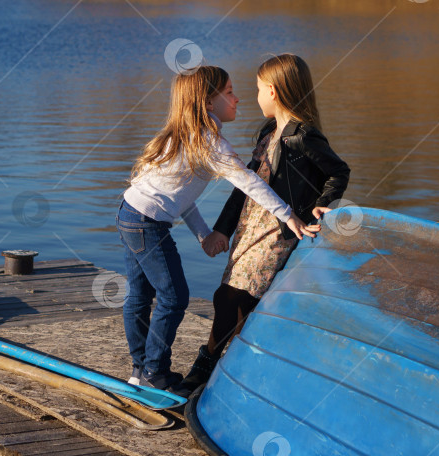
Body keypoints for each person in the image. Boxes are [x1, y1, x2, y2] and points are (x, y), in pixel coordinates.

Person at [116, 65, 317, 390]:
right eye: (229, 92)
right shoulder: (210, 143)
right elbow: (249, 182)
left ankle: (139, 371)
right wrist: (288, 214)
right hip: (147, 224)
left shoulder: (184, 136)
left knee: (139, 295)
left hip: (129, 213)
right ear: (209, 103)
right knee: (174, 297)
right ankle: (154, 371)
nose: (237, 99)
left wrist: (204, 235)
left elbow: (181, 200)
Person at [172, 54, 351, 397]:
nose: (252, 96)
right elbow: (246, 186)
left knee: (238, 297)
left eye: (256, 89)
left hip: (279, 232)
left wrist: (319, 208)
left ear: (273, 90)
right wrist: (222, 229)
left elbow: (338, 171)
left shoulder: (303, 136)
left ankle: (211, 372)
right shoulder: (270, 132)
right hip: (250, 226)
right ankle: (222, 372)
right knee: (230, 297)